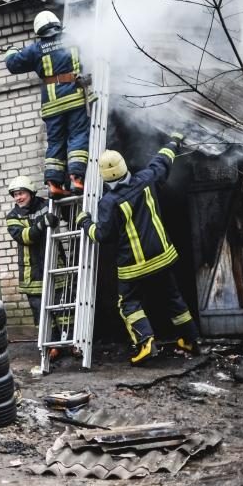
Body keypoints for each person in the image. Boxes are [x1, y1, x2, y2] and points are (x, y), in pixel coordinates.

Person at [76, 132, 200, 365]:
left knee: (128, 303)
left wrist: (85, 221)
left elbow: (102, 235)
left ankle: (145, 342)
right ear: (124, 167)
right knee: (173, 297)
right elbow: (162, 160)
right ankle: (190, 339)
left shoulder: (109, 203)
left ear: (104, 178)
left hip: (133, 265)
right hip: (162, 256)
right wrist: (173, 141)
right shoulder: (147, 178)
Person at [5, 10, 92, 199]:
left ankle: (54, 184)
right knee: (77, 137)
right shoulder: (73, 39)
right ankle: (77, 179)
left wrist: (11, 50)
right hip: (74, 97)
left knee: (55, 143)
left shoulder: (36, 49)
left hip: (52, 105)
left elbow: (12, 64)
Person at [5, 175, 71, 345]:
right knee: (41, 313)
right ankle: (51, 346)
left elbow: (63, 214)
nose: (18, 198)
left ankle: (70, 343)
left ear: (31, 192)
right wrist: (42, 224)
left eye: (21, 193)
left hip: (54, 265)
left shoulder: (45, 205)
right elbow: (24, 236)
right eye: (15, 195)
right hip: (32, 274)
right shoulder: (13, 216)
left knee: (63, 309)